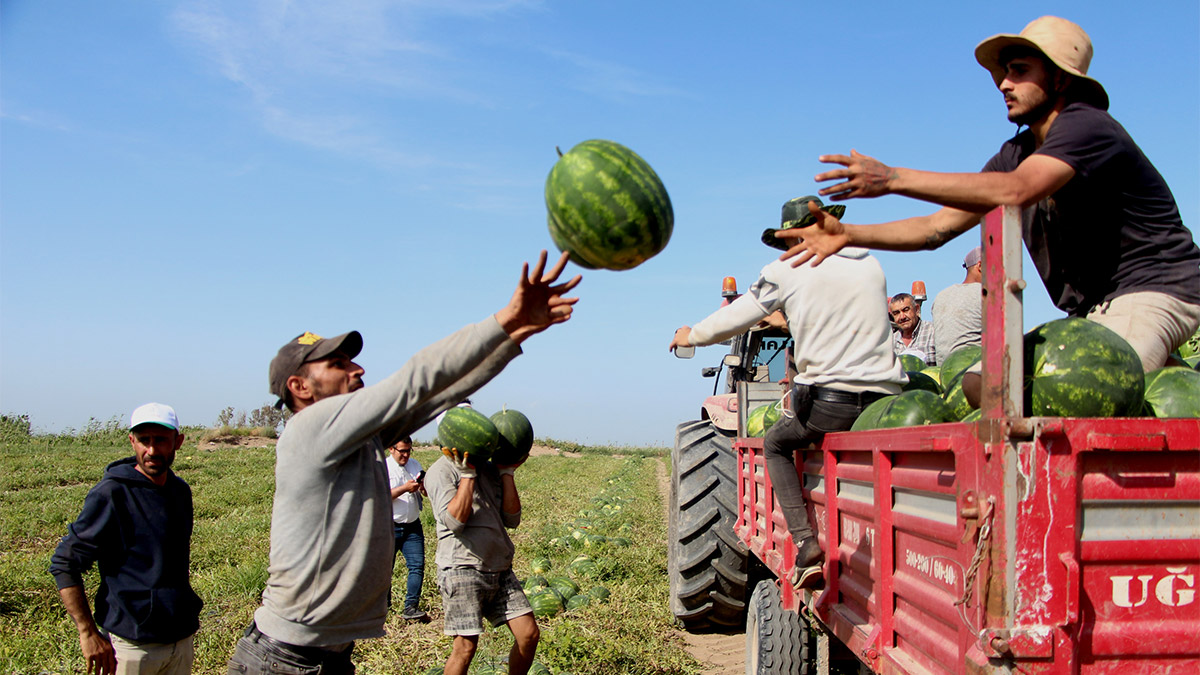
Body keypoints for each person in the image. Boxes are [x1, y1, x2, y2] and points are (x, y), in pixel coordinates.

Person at [775, 15, 1200, 376]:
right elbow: (935, 228)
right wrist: (848, 233)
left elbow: (1019, 190)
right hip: (1092, 311)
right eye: (1003, 73)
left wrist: (893, 178)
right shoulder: (1015, 154)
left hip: (1156, 289)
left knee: (1090, 390)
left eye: (1019, 71)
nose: (1004, 84)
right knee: (983, 385)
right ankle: (1168, 375)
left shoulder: (1087, 126)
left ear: (1058, 78)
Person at [227, 251, 580, 674]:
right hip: (284, 660)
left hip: (328, 657)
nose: (357, 368)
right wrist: (506, 318)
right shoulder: (310, 429)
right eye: (338, 364)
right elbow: (415, 382)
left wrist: (519, 332)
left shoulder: (358, 442)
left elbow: (436, 396)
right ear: (299, 387)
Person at [670, 196, 906, 589]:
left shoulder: (786, 269)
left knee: (777, 443)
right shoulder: (868, 262)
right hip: (887, 399)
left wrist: (690, 334)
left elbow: (734, 317)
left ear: (790, 239)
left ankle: (805, 543)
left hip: (833, 402)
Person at [50, 403, 202, 675]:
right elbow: (65, 562)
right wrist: (87, 633)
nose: (152, 450)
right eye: (144, 441)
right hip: (132, 646)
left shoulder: (180, 492)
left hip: (180, 639)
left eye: (161, 440)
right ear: (132, 441)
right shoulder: (112, 494)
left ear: (178, 442)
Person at [425, 444, 537, 675]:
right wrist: (467, 475)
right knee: (465, 648)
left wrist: (507, 472)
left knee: (528, 634)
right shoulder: (440, 471)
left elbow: (512, 518)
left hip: (499, 566)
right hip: (462, 567)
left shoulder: (487, 470)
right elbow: (455, 521)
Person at [386, 436, 429, 622]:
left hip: (413, 525)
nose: (405, 455)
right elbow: (381, 496)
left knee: (417, 566)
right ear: (391, 449)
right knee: (385, 569)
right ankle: (383, 607)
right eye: (402, 451)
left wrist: (422, 487)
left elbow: (425, 492)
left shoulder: (414, 464)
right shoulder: (383, 467)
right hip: (389, 526)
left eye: (408, 450)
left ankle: (411, 608)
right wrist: (404, 488)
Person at [932, 246, 983, 358]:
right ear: (980, 266)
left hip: (944, 370)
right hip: (976, 369)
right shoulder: (985, 293)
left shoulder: (941, 296)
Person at [889, 292, 937, 365]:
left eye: (906, 310)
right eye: (896, 313)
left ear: (917, 309)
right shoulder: (891, 341)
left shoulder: (934, 332)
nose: (902, 317)